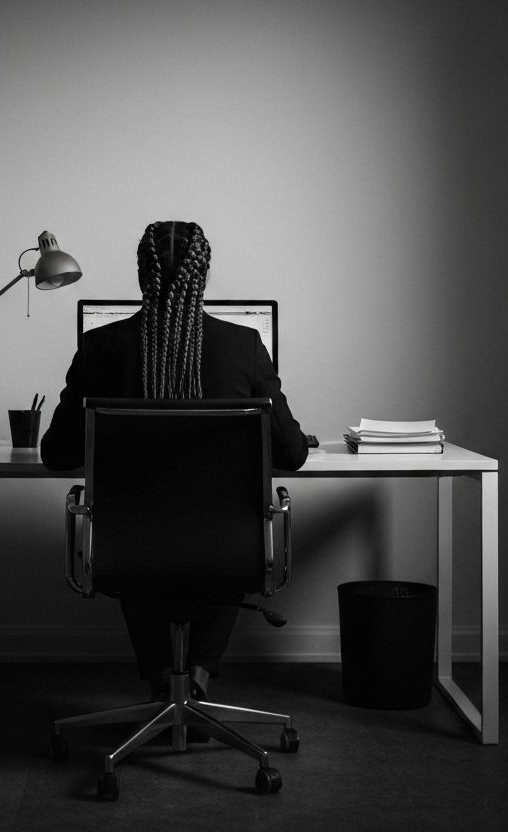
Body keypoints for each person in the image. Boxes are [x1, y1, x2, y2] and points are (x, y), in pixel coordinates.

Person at [41, 220, 308, 699]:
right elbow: (293, 453)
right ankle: (196, 679)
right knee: (220, 527)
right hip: (228, 549)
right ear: (202, 276)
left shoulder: (101, 346)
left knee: (145, 537)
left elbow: (56, 454)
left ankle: (164, 681)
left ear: (141, 275)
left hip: (126, 548)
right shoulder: (245, 346)